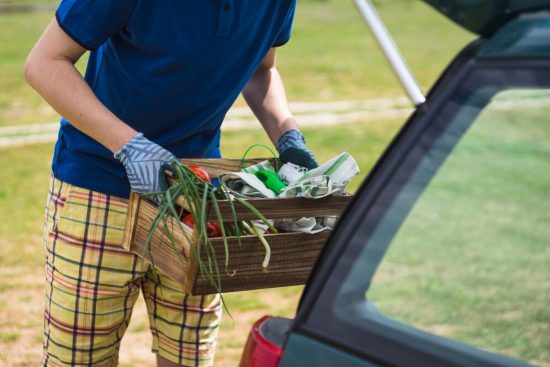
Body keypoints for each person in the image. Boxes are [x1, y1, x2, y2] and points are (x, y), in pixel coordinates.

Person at [24, 1, 318, 366]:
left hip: (197, 199)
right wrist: (130, 145)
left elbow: (262, 69)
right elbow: (44, 63)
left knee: (189, 359)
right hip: (98, 189)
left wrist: (288, 135)